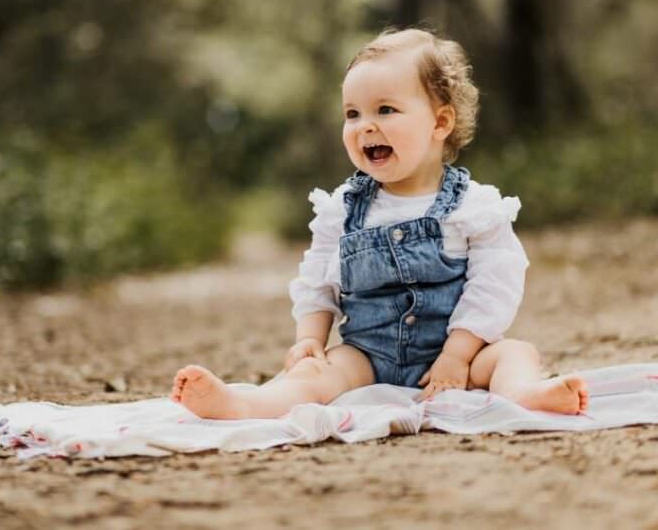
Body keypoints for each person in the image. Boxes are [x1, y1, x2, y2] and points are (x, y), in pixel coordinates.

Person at [170, 28, 588, 420]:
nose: (365, 125)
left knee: (515, 353)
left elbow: (495, 285)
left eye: (385, 110)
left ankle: (524, 395)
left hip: (454, 354)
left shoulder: (472, 207)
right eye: (352, 114)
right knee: (315, 373)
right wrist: (309, 338)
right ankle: (248, 404)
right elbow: (318, 279)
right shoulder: (343, 209)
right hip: (367, 356)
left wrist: (458, 356)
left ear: (440, 123)